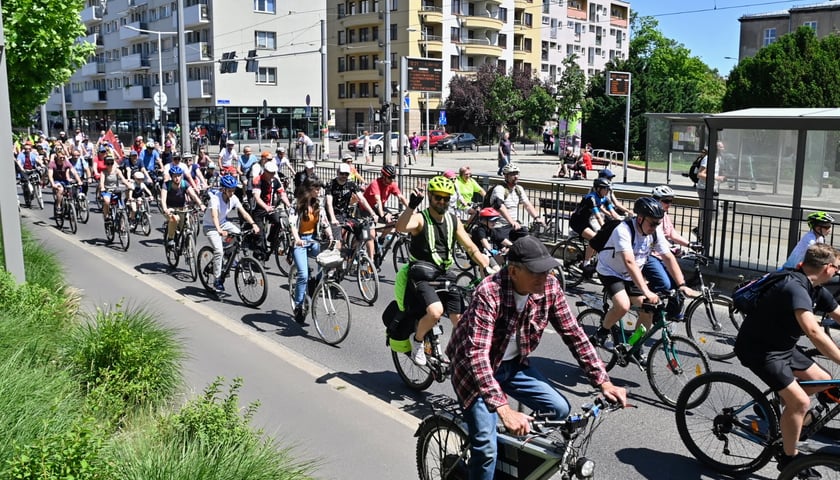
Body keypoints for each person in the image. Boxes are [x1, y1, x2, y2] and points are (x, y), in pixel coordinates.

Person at [446, 235, 628, 479]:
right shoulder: (489, 293)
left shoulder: (549, 287)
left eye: (547, 271)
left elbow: (574, 334)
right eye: (536, 273)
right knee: (486, 449)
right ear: (513, 271)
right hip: (473, 372)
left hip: (512, 365)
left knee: (559, 409)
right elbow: (476, 355)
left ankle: (507, 465)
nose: (545, 278)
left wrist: (603, 381)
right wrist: (504, 410)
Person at [735, 243, 840, 477]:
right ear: (826, 268)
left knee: (824, 381)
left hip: (784, 348)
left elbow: (838, 314)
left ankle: (786, 406)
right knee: (801, 402)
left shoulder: (814, 287)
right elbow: (814, 332)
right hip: (760, 351)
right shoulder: (794, 287)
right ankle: (788, 458)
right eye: (837, 268)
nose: (838, 272)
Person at [396, 175, 491, 366]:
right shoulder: (421, 219)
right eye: (438, 197)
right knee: (436, 312)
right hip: (422, 275)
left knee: (461, 320)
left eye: (446, 198)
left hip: (444, 275)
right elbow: (401, 227)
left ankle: (461, 353)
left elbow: (471, 247)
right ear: (430, 197)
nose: (442, 201)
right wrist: (411, 206)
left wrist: (486, 266)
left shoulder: (453, 221)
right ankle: (417, 342)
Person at [591, 197, 698, 358]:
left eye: (658, 223)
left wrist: (681, 284)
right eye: (652, 223)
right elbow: (629, 261)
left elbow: (668, 257)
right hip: (610, 271)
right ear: (640, 219)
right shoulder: (624, 230)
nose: (655, 227)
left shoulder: (654, 232)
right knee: (623, 305)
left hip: (630, 275)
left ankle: (634, 346)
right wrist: (646, 290)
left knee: (648, 309)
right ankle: (602, 331)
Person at [647, 185, 700, 320]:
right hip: (650, 255)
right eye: (666, 201)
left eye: (671, 201)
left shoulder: (664, 215)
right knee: (664, 284)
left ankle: (670, 315)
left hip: (662, 254)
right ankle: (649, 307)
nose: (669, 204)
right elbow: (654, 240)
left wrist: (690, 244)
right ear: (656, 200)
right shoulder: (651, 217)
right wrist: (672, 249)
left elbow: (671, 233)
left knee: (678, 283)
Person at [202, 174, 260, 292]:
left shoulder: (233, 198)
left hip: (223, 223)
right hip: (210, 226)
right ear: (223, 189)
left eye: (234, 190)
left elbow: (243, 212)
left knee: (239, 234)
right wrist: (219, 230)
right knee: (218, 251)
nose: (232, 193)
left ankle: (228, 253)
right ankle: (217, 280)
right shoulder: (215, 198)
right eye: (230, 190)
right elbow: (214, 215)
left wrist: (253, 224)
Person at [289, 178, 333, 323]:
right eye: (316, 188)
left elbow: (324, 221)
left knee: (326, 263)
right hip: (300, 241)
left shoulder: (317, 203)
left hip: (313, 239)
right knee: (303, 274)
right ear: (308, 189)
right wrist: (297, 239)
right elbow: (292, 224)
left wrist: (330, 235)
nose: (318, 191)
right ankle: (298, 305)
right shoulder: (296, 204)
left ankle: (314, 283)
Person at [571, 178, 621, 278]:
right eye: (606, 189)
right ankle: (586, 263)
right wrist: (604, 229)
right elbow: (598, 216)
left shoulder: (605, 198)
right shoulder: (591, 198)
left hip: (587, 221)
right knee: (595, 238)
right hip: (578, 222)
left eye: (608, 189)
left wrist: (622, 222)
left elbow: (613, 213)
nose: (607, 191)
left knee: (600, 240)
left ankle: (589, 257)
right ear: (598, 189)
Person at [362, 164, 409, 263]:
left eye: (393, 177)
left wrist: (412, 209)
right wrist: (383, 215)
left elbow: (401, 197)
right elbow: (378, 201)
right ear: (384, 176)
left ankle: (381, 239)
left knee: (392, 221)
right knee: (371, 234)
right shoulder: (375, 184)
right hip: (366, 209)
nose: (392, 180)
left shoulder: (391, 184)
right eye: (390, 177)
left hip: (379, 207)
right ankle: (370, 262)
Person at [326, 163, 376, 251]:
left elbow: (362, 199)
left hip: (346, 214)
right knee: (338, 240)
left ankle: (354, 254)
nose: (344, 176)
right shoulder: (331, 184)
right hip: (334, 214)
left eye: (346, 174)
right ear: (337, 172)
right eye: (342, 173)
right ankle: (338, 260)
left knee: (362, 230)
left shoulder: (351, 184)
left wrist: (373, 213)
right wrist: (333, 218)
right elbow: (329, 203)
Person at [488, 163, 544, 242]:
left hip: (514, 226)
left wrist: (537, 217)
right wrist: (512, 222)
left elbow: (527, 204)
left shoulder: (518, 189)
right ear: (506, 176)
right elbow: (500, 206)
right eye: (513, 174)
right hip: (499, 226)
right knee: (506, 248)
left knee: (528, 241)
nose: (516, 176)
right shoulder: (499, 189)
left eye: (517, 174)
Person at [251, 160, 291, 256]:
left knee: (279, 221)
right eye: (271, 173)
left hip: (271, 208)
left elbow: (282, 194)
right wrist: (266, 207)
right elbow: (256, 197)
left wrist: (289, 205)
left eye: (274, 173)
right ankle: (258, 256)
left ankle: (271, 239)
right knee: (260, 236)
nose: (273, 175)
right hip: (259, 209)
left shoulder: (275, 181)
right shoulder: (258, 180)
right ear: (265, 171)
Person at [160, 164, 204, 250]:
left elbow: (193, 195)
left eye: (179, 176)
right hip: (170, 208)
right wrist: (165, 209)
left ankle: (187, 245)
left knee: (185, 225)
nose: (177, 178)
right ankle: (170, 238)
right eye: (175, 176)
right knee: (174, 219)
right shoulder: (166, 185)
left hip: (181, 208)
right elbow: (163, 199)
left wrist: (201, 204)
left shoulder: (184, 184)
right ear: (171, 177)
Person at [695, 141, 726, 241]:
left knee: (716, 211)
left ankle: (700, 230)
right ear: (716, 149)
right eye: (721, 148)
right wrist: (716, 178)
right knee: (707, 212)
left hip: (713, 189)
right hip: (704, 189)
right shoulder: (708, 158)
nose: (723, 149)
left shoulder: (718, 158)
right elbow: (700, 174)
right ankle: (701, 235)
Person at [98, 154, 133, 225]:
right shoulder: (103, 172)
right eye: (108, 163)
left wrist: (129, 185)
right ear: (105, 164)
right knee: (107, 201)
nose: (110, 165)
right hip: (107, 190)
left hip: (116, 190)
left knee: (122, 208)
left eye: (111, 163)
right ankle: (106, 215)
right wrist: (102, 188)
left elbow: (123, 180)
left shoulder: (117, 171)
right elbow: (102, 182)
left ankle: (123, 225)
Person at [47, 147, 83, 214]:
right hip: (56, 180)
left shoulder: (66, 163)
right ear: (57, 157)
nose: (62, 159)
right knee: (60, 190)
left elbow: (74, 172)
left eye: (63, 157)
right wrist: (53, 184)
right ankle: (58, 206)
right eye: (61, 157)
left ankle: (71, 205)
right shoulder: (52, 164)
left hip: (65, 180)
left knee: (72, 189)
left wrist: (79, 181)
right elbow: (50, 176)